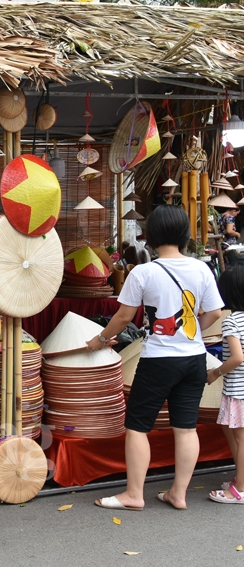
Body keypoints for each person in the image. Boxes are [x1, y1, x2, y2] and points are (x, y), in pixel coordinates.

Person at [88, 205, 223, 511]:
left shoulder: (144, 272)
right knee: (186, 427)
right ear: (184, 234)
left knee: (138, 426)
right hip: (193, 358)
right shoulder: (201, 269)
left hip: (158, 359)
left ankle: (134, 494)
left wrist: (99, 339)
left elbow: (123, 318)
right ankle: (178, 493)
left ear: (152, 234)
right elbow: (214, 312)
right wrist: (191, 333)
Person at [207, 266, 244, 503]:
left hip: (238, 390)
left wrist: (216, 372)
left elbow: (237, 357)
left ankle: (239, 489)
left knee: (241, 439)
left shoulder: (232, 322)